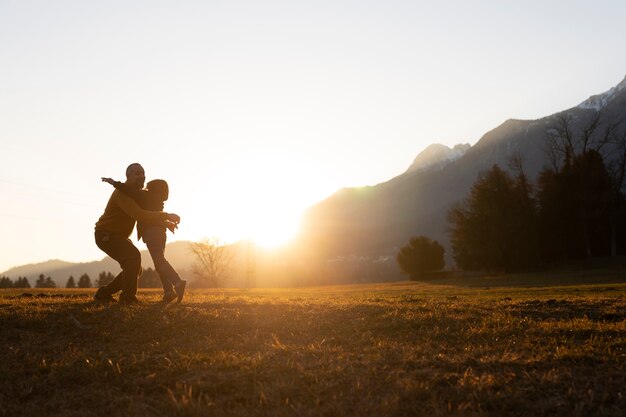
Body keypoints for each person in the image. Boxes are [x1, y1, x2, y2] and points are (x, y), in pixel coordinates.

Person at [94, 163, 180, 305]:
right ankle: (128, 298)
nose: (141, 176)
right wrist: (166, 215)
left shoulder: (135, 195)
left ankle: (103, 294)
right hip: (106, 235)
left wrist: (165, 223)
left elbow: (148, 215)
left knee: (135, 269)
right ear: (128, 177)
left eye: (142, 173)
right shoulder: (123, 194)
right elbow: (140, 215)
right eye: (137, 174)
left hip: (118, 236)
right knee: (133, 258)